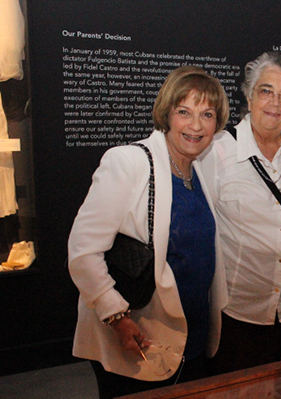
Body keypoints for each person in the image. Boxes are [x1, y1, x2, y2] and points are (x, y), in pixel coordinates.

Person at [68, 66, 229, 399]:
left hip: (193, 337)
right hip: (140, 337)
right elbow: (83, 252)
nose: (196, 125)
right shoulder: (128, 162)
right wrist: (117, 317)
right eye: (184, 112)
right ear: (167, 114)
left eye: (207, 114)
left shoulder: (199, 171)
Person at [200, 52, 281, 374]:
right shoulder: (216, 151)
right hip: (235, 313)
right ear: (248, 95)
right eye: (266, 91)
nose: (275, 103)